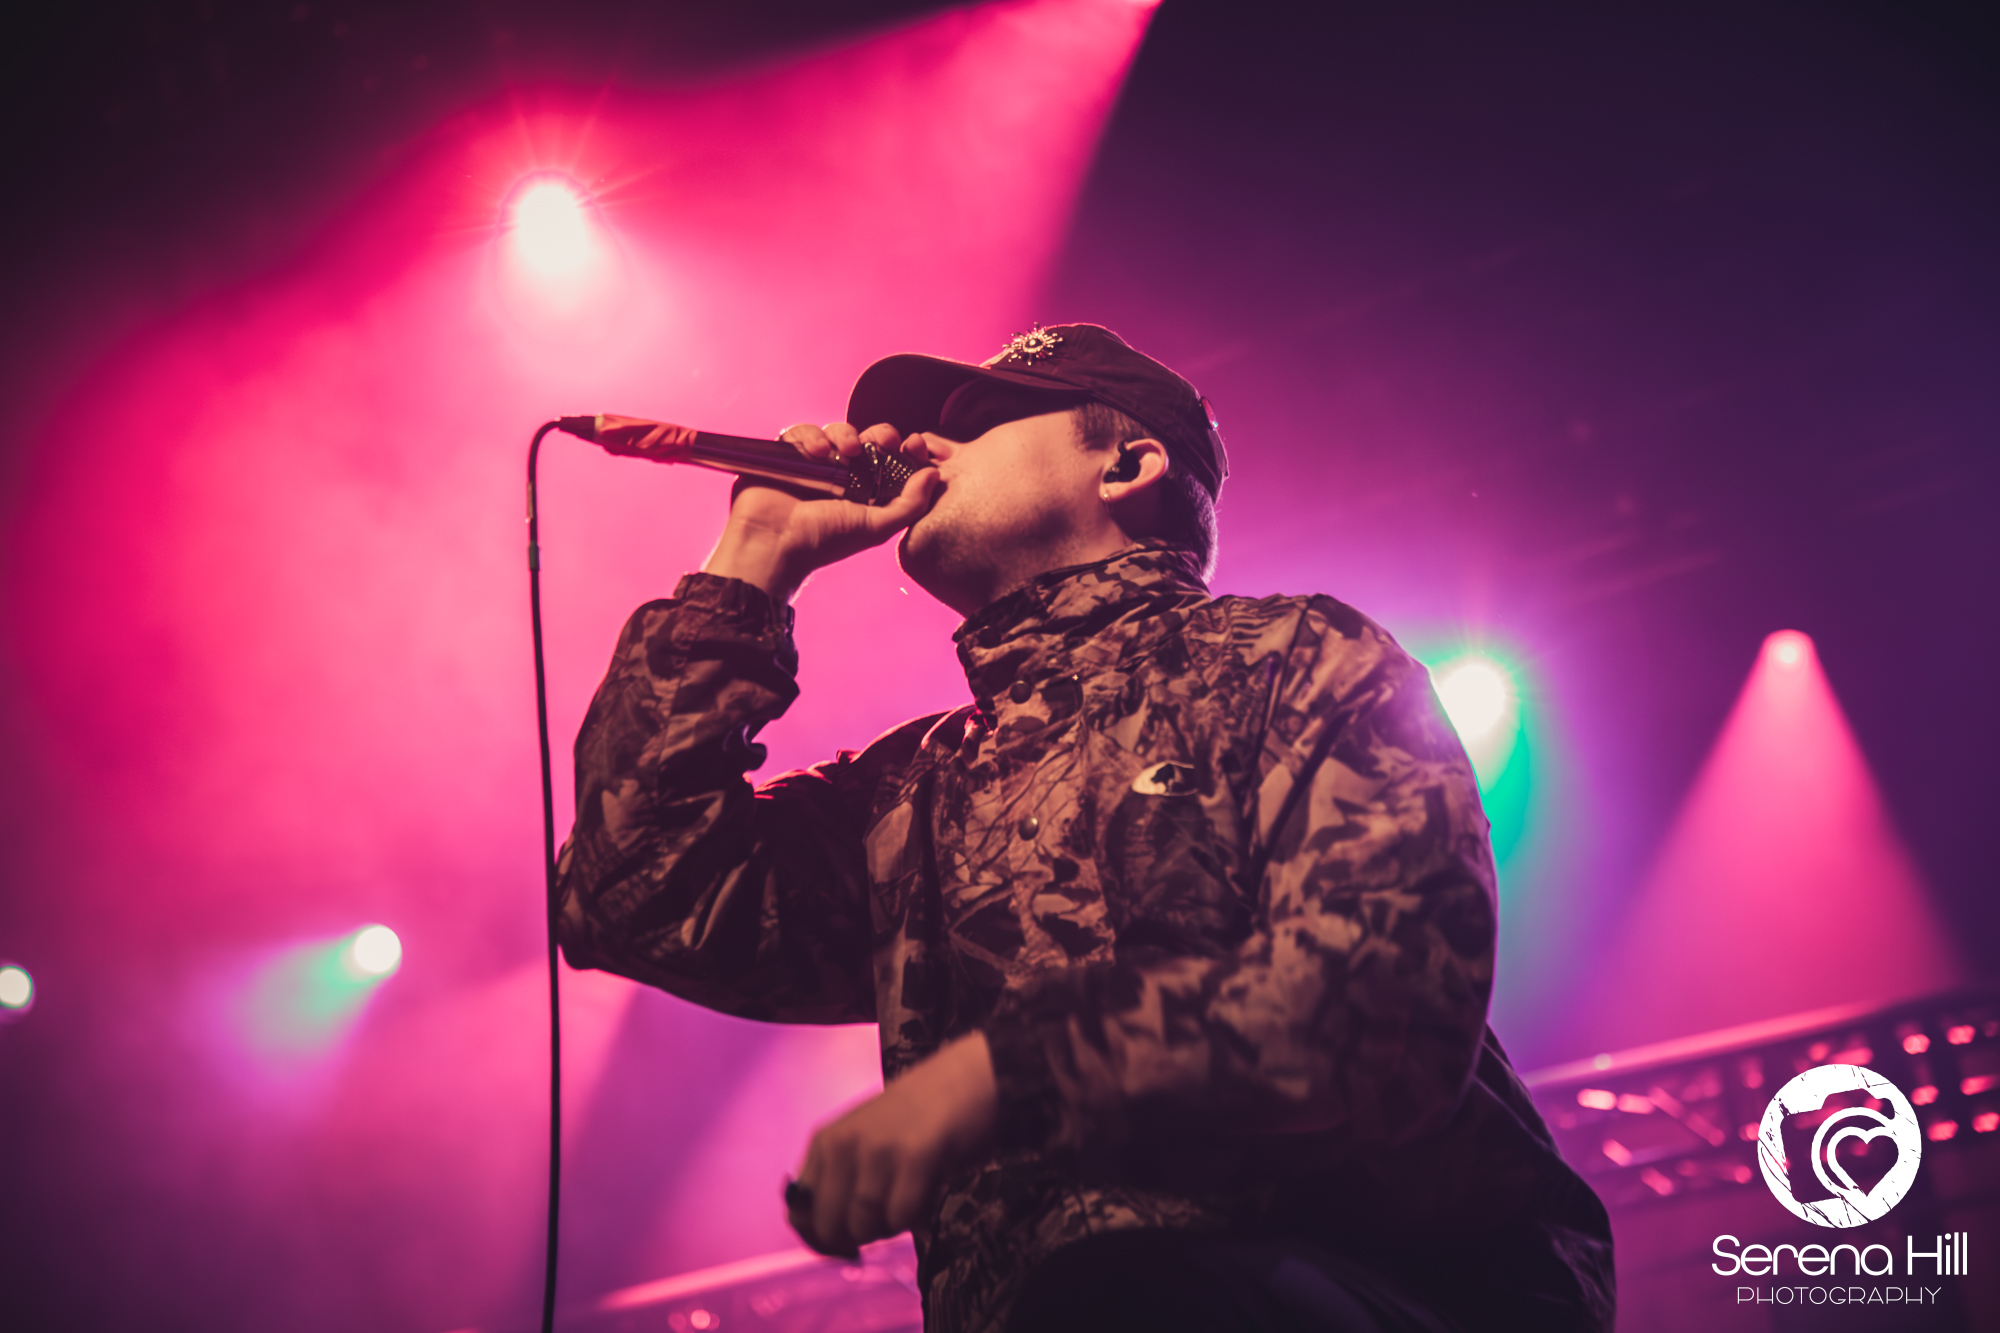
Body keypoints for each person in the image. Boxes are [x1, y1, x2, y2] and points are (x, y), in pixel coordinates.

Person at [554, 324, 1615, 1332]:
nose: (914, 443)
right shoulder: (912, 788)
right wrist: (750, 561)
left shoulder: (1292, 657)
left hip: (1363, 1295)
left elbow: (1381, 1007)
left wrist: (1009, 1072)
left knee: (1125, 1290)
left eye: (975, 419)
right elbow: (631, 891)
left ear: (1128, 464)